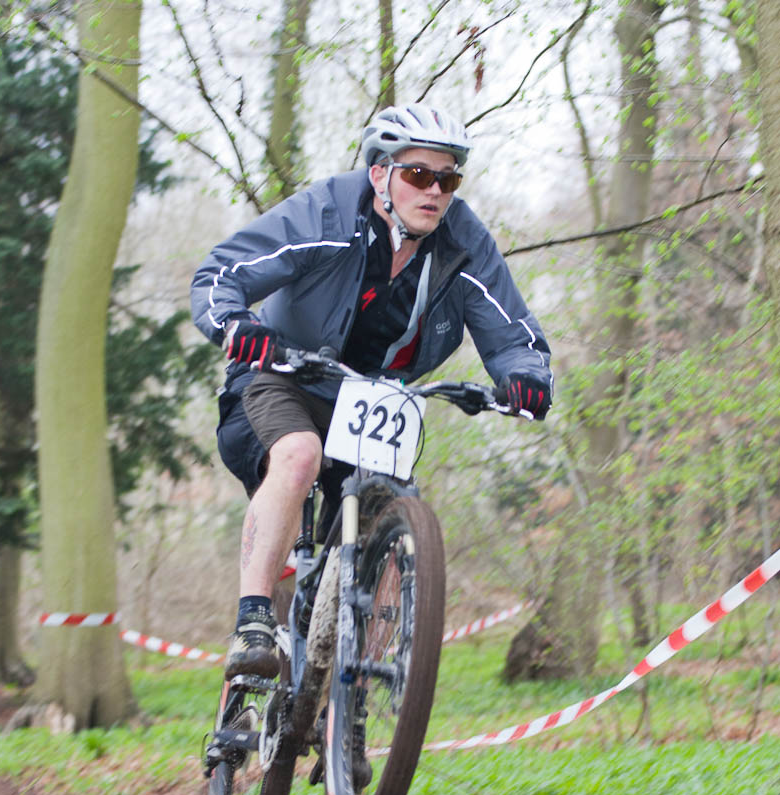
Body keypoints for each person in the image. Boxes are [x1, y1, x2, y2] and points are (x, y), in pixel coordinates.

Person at [191, 102, 553, 681]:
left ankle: (354, 698)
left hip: (375, 401)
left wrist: (526, 377)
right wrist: (238, 326)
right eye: (418, 175)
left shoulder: (462, 242)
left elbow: (511, 329)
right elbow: (221, 275)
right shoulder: (327, 214)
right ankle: (254, 619)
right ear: (381, 173)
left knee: (390, 516)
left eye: (448, 178)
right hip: (286, 373)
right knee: (300, 455)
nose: (434, 190)